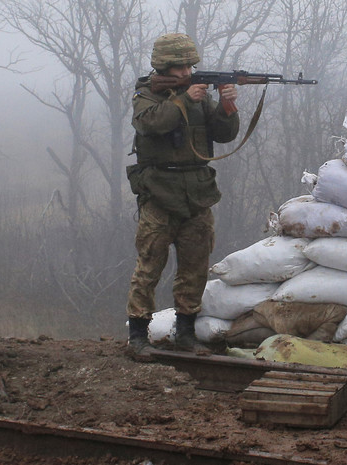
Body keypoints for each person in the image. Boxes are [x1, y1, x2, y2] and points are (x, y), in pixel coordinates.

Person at [124, 33, 239, 360]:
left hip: (197, 194)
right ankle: (137, 337)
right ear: (165, 67)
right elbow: (151, 124)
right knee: (149, 267)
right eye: (181, 67)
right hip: (159, 194)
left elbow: (223, 134)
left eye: (190, 65)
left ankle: (185, 333)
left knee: (195, 267)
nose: (188, 71)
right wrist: (185, 99)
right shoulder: (146, 94)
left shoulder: (199, 96)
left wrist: (228, 107)